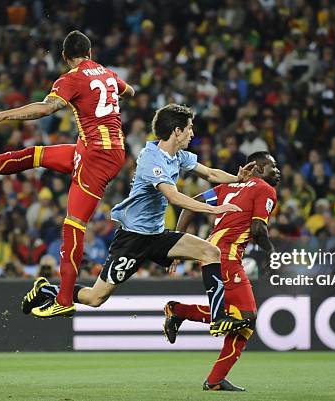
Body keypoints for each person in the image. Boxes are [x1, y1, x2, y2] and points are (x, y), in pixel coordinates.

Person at [0, 30, 134, 317]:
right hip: (96, 148)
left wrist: (2, 116)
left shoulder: (71, 78)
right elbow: (131, 91)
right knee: (33, 155)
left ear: (66, 57)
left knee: (74, 225)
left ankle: (64, 300)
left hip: (96, 157)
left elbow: (45, 108)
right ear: (90, 53)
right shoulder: (107, 74)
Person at [30, 104, 253, 337]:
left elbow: (210, 174)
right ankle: (47, 289)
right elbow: (173, 197)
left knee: (210, 252)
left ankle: (217, 319)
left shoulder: (178, 156)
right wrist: (214, 210)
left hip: (157, 236)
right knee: (96, 298)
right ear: (177, 131)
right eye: (189, 128)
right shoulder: (150, 159)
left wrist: (237, 178)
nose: (192, 133)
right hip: (133, 239)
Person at [164, 151, 280, 391]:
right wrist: (272, 252)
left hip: (210, 255)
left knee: (242, 321)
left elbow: (189, 206)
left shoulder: (226, 187)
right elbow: (258, 229)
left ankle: (215, 379)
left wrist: (177, 241)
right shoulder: (265, 190)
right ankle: (178, 311)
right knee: (246, 317)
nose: (277, 171)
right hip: (226, 258)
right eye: (272, 166)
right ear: (257, 168)